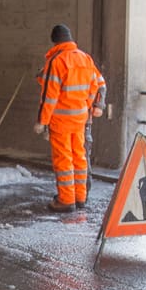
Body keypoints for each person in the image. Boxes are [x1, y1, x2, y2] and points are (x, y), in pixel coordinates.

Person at [34, 24, 102, 213]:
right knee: (79, 157)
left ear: (55, 41)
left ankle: (65, 200)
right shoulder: (85, 58)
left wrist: (43, 120)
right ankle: (80, 197)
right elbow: (94, 86)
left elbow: (50, 95)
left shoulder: (56, 61)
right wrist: (86, 106)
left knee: (63, 159)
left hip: (61, 120)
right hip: (80, 118)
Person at [84, 63, 107, 192]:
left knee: (79, 157)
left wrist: (99, 105)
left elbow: (101, 84)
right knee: (79, 157)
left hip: (80, 121)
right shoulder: (84, 61)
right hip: (77, 120)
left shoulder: (57, 63)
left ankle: (80, 193)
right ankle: (72, 195)